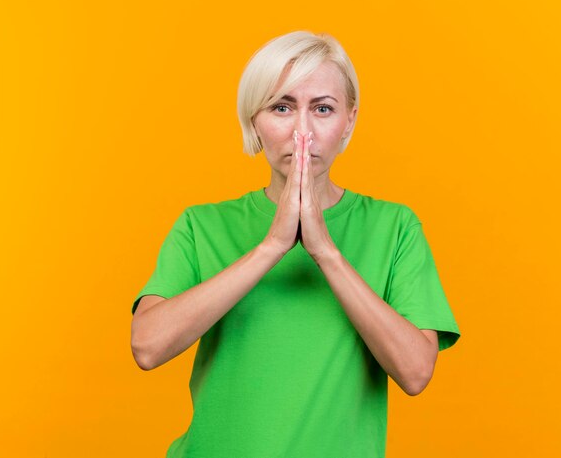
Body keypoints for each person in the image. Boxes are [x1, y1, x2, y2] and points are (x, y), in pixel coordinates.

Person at [130, 30, 461, 458]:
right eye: (282, 108)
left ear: (349, 121)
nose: (302, 130)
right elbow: (147, 346)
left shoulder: (395, 227)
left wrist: (325, 251)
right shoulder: (201, 225)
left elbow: (416, 372)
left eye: (322, 109)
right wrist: (271, 247)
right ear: (254, 121)